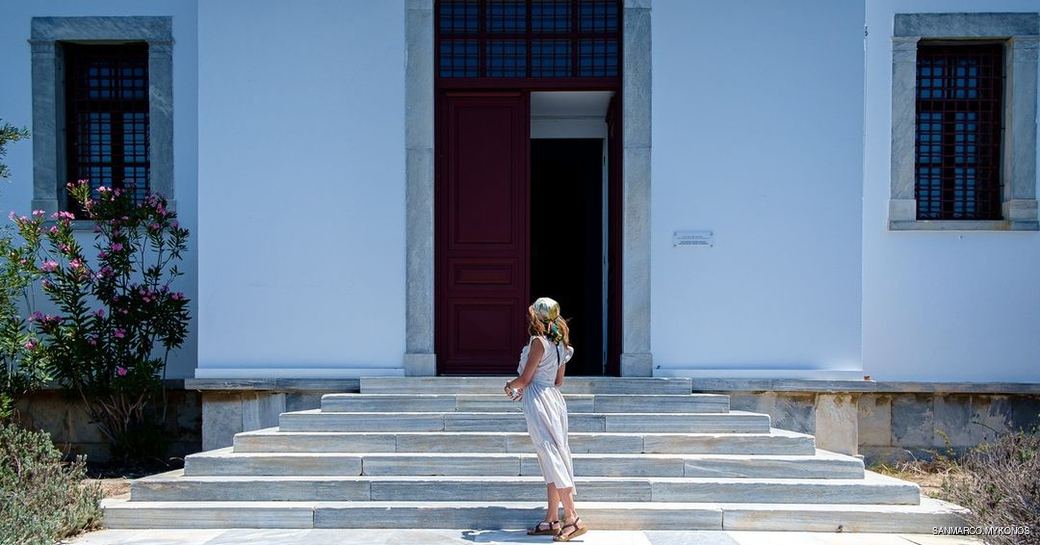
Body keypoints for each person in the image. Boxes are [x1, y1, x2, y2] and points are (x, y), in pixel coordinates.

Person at [503, 297, 588, 541]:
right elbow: (558, 381)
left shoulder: (538, 342)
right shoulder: (562, 345)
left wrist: (509, 387)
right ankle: (552, 518)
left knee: (550, 456)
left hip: (539, 400)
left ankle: (571, 517)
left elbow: (525, 378)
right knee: (553, 456)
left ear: (536, 317)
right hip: (554, 399)